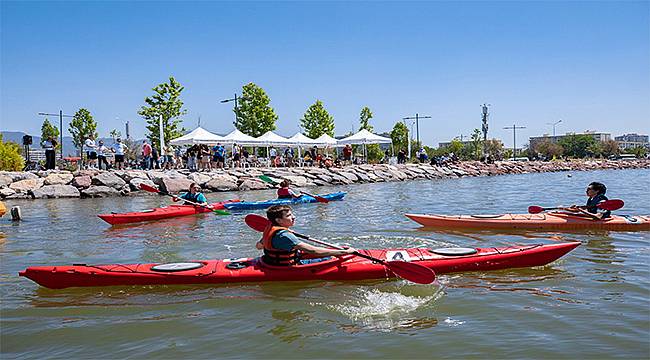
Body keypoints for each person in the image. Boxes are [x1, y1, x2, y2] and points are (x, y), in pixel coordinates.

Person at [255, 205, 356, 265]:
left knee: (330, 253)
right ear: (278, 220)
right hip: (287, 267)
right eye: (289, 215)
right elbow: (314, 251)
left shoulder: (269, 229)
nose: (293, 217)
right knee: (332, 258)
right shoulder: (285, 236)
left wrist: (286, 232)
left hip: (270, 263)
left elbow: (259, 246)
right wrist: (343, 252)